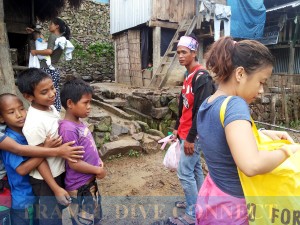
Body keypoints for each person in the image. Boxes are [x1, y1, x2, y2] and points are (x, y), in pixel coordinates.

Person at [195, 36, 300, 224]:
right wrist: (289, 150)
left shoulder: (208, 103)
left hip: (213, 196)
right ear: (240, 74)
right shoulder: (235, 105)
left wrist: (260, 133)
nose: (262, 91)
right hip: (234, 208)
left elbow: (221, 139)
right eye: (261, 82)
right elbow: (251, 164)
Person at [168, 34, 215, 225]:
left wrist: (190, 137)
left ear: (194, 53)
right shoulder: (188, 76)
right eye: (178, 52)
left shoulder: (202, 78)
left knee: (184, 172)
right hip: (185, 131)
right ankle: (198, 203)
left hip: (193, 135)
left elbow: (201, 111)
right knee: (195, 169)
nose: (180, 56)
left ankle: (193, 213)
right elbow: (185, 108)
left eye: (184, 52)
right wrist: (177, 129)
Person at [17, 68, 71, 225]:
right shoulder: (34, 123)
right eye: (44, 92)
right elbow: (39, 159)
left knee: (56, 215)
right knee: (50, 219)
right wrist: (55, 188)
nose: (52, 94)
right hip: (45, 180)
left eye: (53, 87)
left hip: (57, 171)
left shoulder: (51, 107)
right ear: (29, 96)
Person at [0, 93, 58, 225]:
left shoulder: (28, 132)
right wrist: (46, 149)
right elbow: (22, 169)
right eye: (11, 112)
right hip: (24, 199)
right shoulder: (10, 140)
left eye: (21, 109)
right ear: (2, 118)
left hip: (35, 194)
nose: (19, 114)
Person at [59, 78, 106, 225]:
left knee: (91, 216)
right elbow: (74, 163)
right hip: (80, 187)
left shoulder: (78, 122)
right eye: (85, 103)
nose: (89, 107)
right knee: (83, 219)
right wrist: (97, 169)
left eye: (90, 102)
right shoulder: (68, 129)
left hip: (88, 183)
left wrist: (98, 161)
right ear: (70, 103)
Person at [29, 18, 71, 112]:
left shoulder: (52, 36)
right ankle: (56, 112)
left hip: (46, 69)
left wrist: (35, 51)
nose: (49, 26)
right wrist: (35, 32)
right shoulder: (61, 39)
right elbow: (44, 43)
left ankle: (47, 111)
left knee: (44, 91)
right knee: (54, 91)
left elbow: (49, 51)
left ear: (57, 26)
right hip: (54, 70)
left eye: (51, 24)